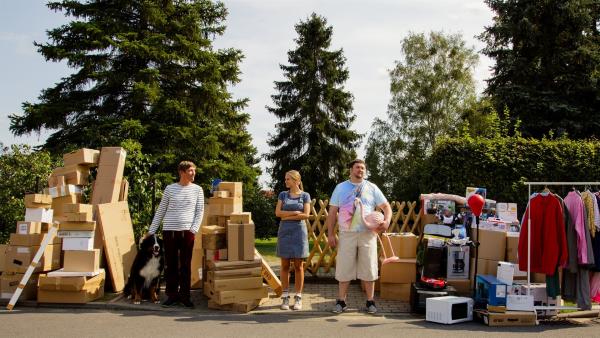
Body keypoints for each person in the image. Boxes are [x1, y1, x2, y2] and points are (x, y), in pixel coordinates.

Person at [326, 159, 392, 314]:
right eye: (357, 167)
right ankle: (341, 301)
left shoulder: (372, 187)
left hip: (368, 234)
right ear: (351, 170)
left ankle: (370, 302)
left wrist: (387, 220)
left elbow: (386, 206)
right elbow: (332, 212)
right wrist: (330, 234)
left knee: (369, 267)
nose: (360, 170)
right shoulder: (340, 188)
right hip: (347, 234)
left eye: (363, 168)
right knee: (344, 267)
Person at [145, 161, 204, 308]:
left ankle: (185, 296)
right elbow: (161, 210)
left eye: (194, 171)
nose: (194, 173)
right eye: (191, 171)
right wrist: (152, 231)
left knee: (185, 265)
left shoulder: (198, 190)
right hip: (169, 231)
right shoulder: (170, 189)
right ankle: (172, 295)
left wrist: (193, 229)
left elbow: (199, 211)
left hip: (187, 233)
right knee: (170, 265)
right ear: (182, 172)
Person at [275, 170, 311, 310]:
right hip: (284, 232)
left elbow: (306, 215)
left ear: (296, 181)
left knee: (298, 266)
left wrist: (287, 217)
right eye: (285, 179)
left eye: (288, 179)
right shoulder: (283, 195)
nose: (286, 181)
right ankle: (285, 297)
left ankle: (298, 297)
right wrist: (294, 213)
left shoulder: (305, 196)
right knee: (284, 265)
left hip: (299, 233)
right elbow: (278, 213)